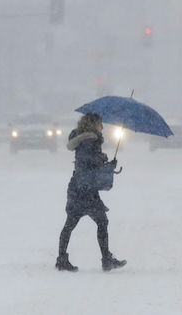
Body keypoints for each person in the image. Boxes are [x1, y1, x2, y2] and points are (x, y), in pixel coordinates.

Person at [56, 112, 126, 272]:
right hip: (85, 190)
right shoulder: (90, 140)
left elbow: (86, 162)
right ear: (93, 125)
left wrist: (106, 163)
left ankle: (62, 259)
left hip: (78, 187)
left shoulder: (84, 138)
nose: (102, 127)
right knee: (100, 222)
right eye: (100, 124)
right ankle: (106, 260)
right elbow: (88, 161)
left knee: (71, 224)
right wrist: (103, 160)